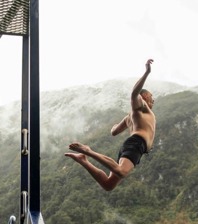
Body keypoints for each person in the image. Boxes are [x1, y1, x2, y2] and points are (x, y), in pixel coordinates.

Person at [65, 59, 156, 191]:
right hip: (136, 144)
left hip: (134, 146)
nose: (153, 99)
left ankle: (83, 160)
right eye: (151, 96)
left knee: (108, 185)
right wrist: (147, 72)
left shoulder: (130, 117)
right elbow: (134, 93)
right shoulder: (143, 107)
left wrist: (115, 125)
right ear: (144, 97)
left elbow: (114, 132)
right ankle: (87, 151)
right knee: (121, 171)